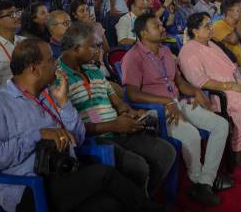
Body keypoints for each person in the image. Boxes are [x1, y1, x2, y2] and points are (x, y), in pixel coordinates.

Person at [0, 38, 162, 212]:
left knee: (111, 205)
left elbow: (78, 138)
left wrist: (64, 103)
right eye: (51, 60)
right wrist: (37, 135)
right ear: (33, 69)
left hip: (64, 176)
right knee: (104, 175)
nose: (56, 64)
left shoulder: (50, 96)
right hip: (28, 189)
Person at [121, 13, 231, 206]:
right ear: (144, 33)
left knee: (221, 125)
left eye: (161, 24)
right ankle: (197, 179)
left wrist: (196, 91)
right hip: (155, 109)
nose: (163, 28)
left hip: (178, 102)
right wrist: (166, 102)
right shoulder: (133, 57)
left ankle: (204, 182)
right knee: (191, 135)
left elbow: (178, 81)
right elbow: (133, 94)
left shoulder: (164, 51)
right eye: (157, 26)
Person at [58, 22, 176, 196]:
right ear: (76, 48)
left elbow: (117, 101)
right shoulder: (59, 79)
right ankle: (137, 201)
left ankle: (142, 199)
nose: (98, 50)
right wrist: (114, 125)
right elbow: (69, 126)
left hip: (118, 129)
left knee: (166, 152)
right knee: (137, 166)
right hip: (94, 137)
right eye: (93, 46)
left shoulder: (93, 70)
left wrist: (130, 112)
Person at [179, 13, 241, 167]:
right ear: (195, 31)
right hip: (217, 93)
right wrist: (230, 86)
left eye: (211, 24)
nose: (211, 28)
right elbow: (199, 81)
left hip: (234, 86)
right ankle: (237, 150)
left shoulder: (211, 44)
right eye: (207, 26)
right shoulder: (188, 51)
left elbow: (232, 67)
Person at [70, 0, 110, 70]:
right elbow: (77, 56)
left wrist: (101, 54)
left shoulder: (97, 25)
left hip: (103, 63)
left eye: (87, 9)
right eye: (82, 11)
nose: (86, 13)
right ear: (75, 15)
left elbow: (106, 48)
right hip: (86, 67)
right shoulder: (74, 31)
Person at [212, 0, 241, 67]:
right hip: (227, 67)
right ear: (229, 13)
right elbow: (233, 40)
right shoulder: (218, 25)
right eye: (240, 10)